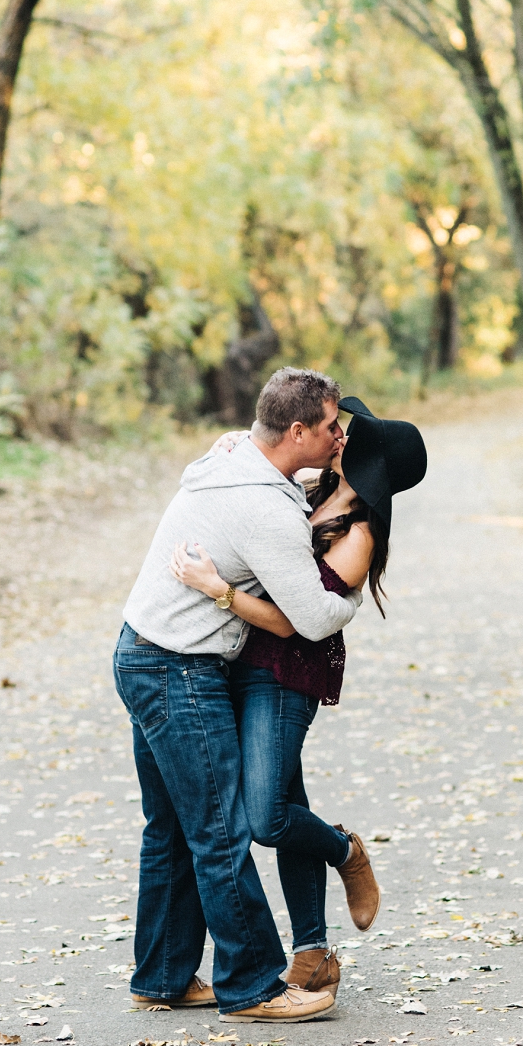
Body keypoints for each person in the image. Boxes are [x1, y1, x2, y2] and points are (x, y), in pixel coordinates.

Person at [113, 368, 362, 1023]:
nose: (340, 435)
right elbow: (312, 618)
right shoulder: (263, 508)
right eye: (331, 424)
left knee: (170, 830)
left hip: (140, 651)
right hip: (179, 670)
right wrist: (352, 597)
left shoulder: (229, 460)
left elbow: (253, 471)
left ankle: (161, 975)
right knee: (220, 833)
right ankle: (252, 984)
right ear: (298, 430)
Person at [171, 394, 427, 1003]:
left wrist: (218, 592)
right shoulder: (308, 490)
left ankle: (345, 850)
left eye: (349, 435)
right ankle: (313, 953)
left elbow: (298, 619)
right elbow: (250, 459)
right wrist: (229, 442)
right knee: (286, 803)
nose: (339, 436)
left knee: (267, 816)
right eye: (338, 429)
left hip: (285, 673)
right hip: (237, 660)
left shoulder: (359, 536)